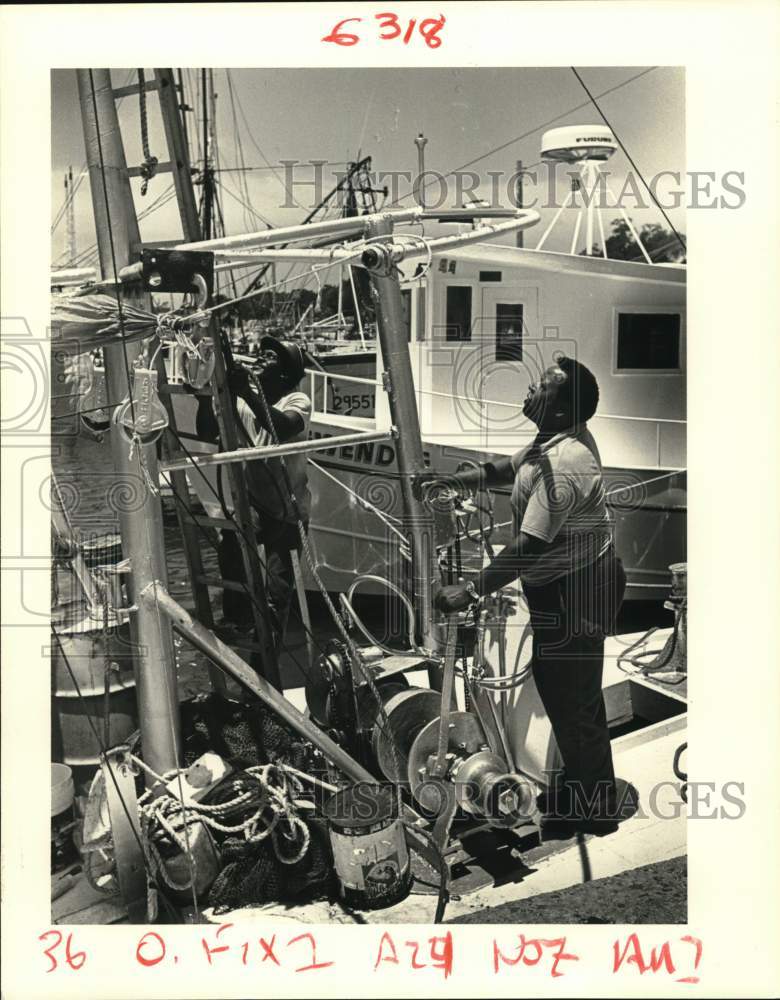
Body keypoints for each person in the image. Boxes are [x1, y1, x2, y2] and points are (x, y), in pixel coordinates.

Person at [424, 354, 628, 837]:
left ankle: (594, 811)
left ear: (561, 411)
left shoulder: (566, 463)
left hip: (578, 590)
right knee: (567, 690)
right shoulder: (548, 442)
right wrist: (456, 479)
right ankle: (588, 788)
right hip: (564, 585)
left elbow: (527, 546)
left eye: (541, 387)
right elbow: (507, 468)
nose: (529, 390)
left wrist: (468, 591)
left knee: (571, 697)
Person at [215, 337, 313, 654]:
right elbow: (208, 429)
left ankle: (266, 654)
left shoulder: (297, 400)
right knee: (230, 546)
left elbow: (282, 427)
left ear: (285, 374)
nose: (260, 357)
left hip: (288, 512)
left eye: (270, 356)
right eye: (261, 352)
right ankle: (237, 619)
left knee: (277, 589)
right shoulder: (246, 403)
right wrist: (212, 395)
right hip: (256, 504)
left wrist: (244, 392)